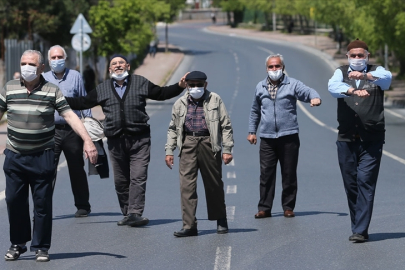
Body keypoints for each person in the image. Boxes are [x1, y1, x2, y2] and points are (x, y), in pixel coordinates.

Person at [64, 54, 187, 227]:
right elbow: (82, 102)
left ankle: (135, 212)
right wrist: (56, 99)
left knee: (138, 177)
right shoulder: (103, 88)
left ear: (128, 66)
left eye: (121, 63)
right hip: (115, 142)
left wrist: (179, 86)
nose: (118, 65)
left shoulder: (140, 83)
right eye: (114, 63)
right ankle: (127, 212)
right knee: (121, 181)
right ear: (110, 69)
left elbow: (161, 93)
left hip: (140, 139)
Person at [0, 50, 97, 262]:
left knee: (42, 203)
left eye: (32, 64)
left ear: (41, 67)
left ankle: (41, 246)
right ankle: (18, 243)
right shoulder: (9, 87)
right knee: (14, 201)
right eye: (24, 63)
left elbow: (69, 115)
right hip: (15, 156)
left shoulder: (52, 90)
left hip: (42, 155)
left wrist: (88, 140)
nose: (27, 67)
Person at [328, 39, 392, 243]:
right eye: (353, 55)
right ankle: (358, 226)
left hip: (371, 139)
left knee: (366, 181)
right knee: (351, 184)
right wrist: (352, 90)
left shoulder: (377, 71)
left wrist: (365, 76)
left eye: (360, 55)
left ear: (367, 56)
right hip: (346, 138)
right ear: (347, 57)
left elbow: (386, 79)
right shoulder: (340, 72)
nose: (357, 58)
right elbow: (332, 87)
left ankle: (360, 230)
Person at [248, 54, 321, 219]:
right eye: (271, 67)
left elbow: (307, 91)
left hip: (289, 137)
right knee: (266, 174)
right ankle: (264, 208)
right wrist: (252, 131)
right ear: (266, 69)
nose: (274, 69)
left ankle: (288, 207)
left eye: (277, 66)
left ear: (282, 67)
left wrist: (315, 97)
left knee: (288, 173)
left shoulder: (292, 84)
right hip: (267, 138)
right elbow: (255, 111)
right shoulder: (260, 87)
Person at [165, 71, 234, 237]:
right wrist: (169, 151)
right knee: (186, 186)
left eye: (199, 85)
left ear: (205, 85)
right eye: (192, 85)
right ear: (187, 86)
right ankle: (189, 226)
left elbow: (226, 126)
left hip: (209, 143)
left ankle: (221, 219)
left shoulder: (215, 99)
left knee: (214, 183)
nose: (196, 88)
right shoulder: (180, 103)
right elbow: (173, 128)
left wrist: (227, 149)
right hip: (188, 143)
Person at [43, 45, 93, 218]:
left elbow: (83, 100)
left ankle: (83, 205)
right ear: (48, 60)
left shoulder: (75, 76)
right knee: (47, 170)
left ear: (65, 58)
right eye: (53, 58)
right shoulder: (42, 78)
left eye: (59, 57)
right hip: (51, 132)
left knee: (77, 169)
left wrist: (89, 128)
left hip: (72, 131)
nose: (57, 60)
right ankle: (43, 208)